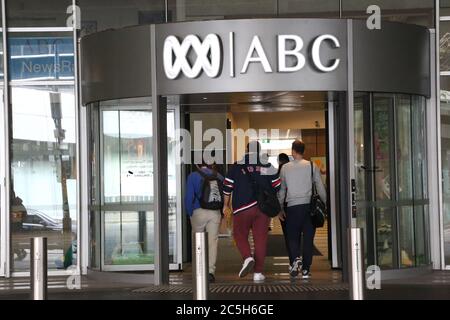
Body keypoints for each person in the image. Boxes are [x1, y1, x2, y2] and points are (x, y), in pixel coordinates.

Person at [222, 141, 281, 282]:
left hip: (242, 207)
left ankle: (247, 257)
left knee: (239, 234)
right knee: (260, 239)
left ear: (247, 150)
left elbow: (227, 187)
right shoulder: (267, 165)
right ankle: (258, 273)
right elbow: (277, 186)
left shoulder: (236, 166)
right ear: (259, 151)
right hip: (263, 208)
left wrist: (226, 205)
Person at [278, 140, 326, 279]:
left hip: (292, 208)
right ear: (303, 151)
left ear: (293, 151)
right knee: (308, 239)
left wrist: (280, 208)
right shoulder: (311, 166)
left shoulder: (285, 168)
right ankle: (305, 270)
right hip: (309, 208)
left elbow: (281, 191)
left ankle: (295, 259)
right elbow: (320, 187)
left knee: (293, 237)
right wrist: (326, 202)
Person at [185, 161, 224, 283]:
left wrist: (190, 212)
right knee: (212, 242)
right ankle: (210, 272)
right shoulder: (218, 176)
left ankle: (199, 270)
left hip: (198, 211)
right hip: (215, 212)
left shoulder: (193, 176)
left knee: (198, 242)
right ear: (211, 164)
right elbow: (225, 193)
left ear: (197, 164)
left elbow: (188, 197)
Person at [276, 153, 293, 256]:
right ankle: (294, 252)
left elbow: (279, 191)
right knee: (294, 230)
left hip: (283, 204)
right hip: (293, 203)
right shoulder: (292, 170)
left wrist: (279, 208)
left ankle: (291, 252)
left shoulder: (278, 173)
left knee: (286, 231)